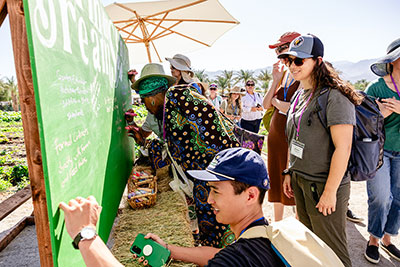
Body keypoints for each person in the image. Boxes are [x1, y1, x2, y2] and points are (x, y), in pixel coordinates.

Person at [59, 148, 285, 267]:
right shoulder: (265, 237)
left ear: (250, 195)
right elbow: (218, 255)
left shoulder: (241, 258)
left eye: (216, 191)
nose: (209, 200)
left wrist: (86, 235)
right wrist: (168, 249)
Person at [127, 63, 241, 248]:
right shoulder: (170, 108)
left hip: (218, 174)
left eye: (144, 100)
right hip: (207, 175)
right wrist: (143, 141)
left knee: (219, 223)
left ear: (153, 99)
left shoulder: (179, 99)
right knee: (213, 223)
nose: (145, 106)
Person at [281, 34, 363, 267]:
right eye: (289, 60)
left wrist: (329, 192)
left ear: (317, 61)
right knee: (312, 247)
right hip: (300, 180)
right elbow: (295, 136)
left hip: (323, 185)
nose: (292, 66)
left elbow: (343, 148)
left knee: (333, 252)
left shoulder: (335, 97)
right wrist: (289, 171)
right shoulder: (299, 93)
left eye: (299, 61)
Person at [363, 37, 400, 264]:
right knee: (380, 197)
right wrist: (380, 116)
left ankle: (387, 238)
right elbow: (362, 122)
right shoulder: (375, 88)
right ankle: (373, 239)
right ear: (393, 60)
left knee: (399, 199)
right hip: (380, 152)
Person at [263, 31, 301, 221]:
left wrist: (277, 103)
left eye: (282, 49)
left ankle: (298, 226)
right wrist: (275, 80)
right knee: (276, 182)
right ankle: (277, 224)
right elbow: (265, 103)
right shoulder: (284, 75)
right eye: (277, 50)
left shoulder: (303, 74)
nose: (279, 54)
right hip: (275, 137)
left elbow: (293, 108)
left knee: (293, 183)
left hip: (292, 137)